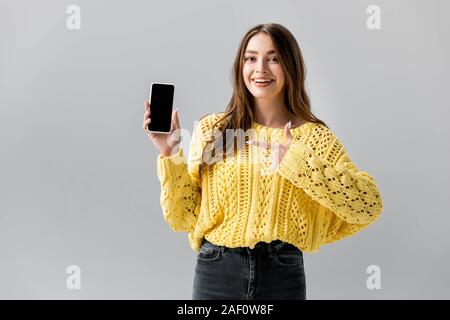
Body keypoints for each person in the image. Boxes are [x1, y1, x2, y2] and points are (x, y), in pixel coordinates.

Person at [142, 23, 384, 300]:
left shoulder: (313, 138)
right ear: (240, 66)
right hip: (216, 272)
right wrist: (169, 153)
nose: (261, 69)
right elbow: (183, 217)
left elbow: (368, 205)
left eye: (273, 58)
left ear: (290, 66)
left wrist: (296, 162)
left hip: (281, 273)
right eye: (251, 58)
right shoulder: (213, 130)